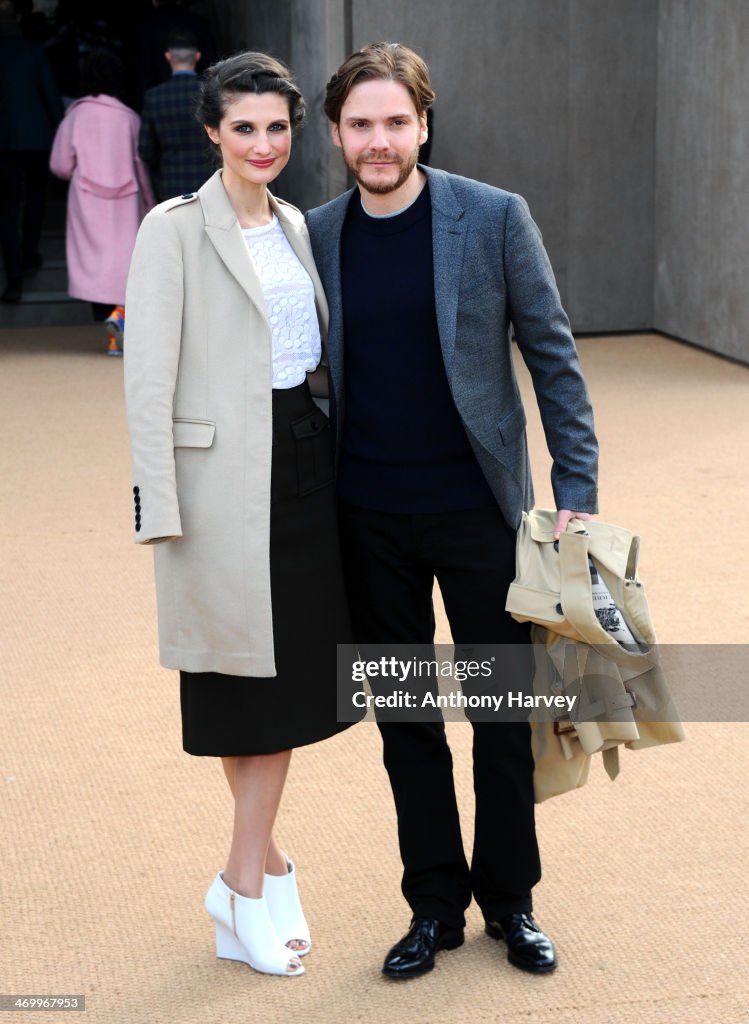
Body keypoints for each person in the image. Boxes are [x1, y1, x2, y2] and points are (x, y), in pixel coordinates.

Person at [306, 41, 599, 979]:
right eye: (360, 124)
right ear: (337, 134)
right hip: (363, 519)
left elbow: (552, 358)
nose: (378, 141)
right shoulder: (310, 234)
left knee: (501, 717)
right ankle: (431, 904)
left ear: (424, 123)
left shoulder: (493, 217)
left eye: (395, 121)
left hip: (479, 513)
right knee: (405, 722)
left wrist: (576, 496)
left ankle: (509, 902)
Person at [124, 50, 358, 979]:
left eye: (277, 127)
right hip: (222, 487)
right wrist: (159, 509)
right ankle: (246, 882)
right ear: (212, 131)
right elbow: (147, 381)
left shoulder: (300, 223)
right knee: (247, 692)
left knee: (287, 684)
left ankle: (259, 867)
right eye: (244, 126)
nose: (262, 144)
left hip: (307, 461)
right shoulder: (171, 229)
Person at [49, 48, 154, 354]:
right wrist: (150, 200)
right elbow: (141, 165)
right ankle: (120, 318)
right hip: (127, 201)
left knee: (95, 266)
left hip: (87, 201)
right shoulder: (129, 118)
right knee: (125, 266)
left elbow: (59, 165)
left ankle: (110, 327)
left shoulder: (76, 115)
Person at [0, 0, 62, 304]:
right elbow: (50, 97)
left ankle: (13, 278)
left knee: (7, 208)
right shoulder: (34, 50)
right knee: (36, 197)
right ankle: (29, 254)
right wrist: (61, 133)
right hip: (36, 139)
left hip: (3, 144)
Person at [138, 29, 213, 201]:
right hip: (210, 182)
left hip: (170, 184)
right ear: (197, 57)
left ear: (168, 57)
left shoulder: (154, 96)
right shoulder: (211, 93)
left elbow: (145, 151)